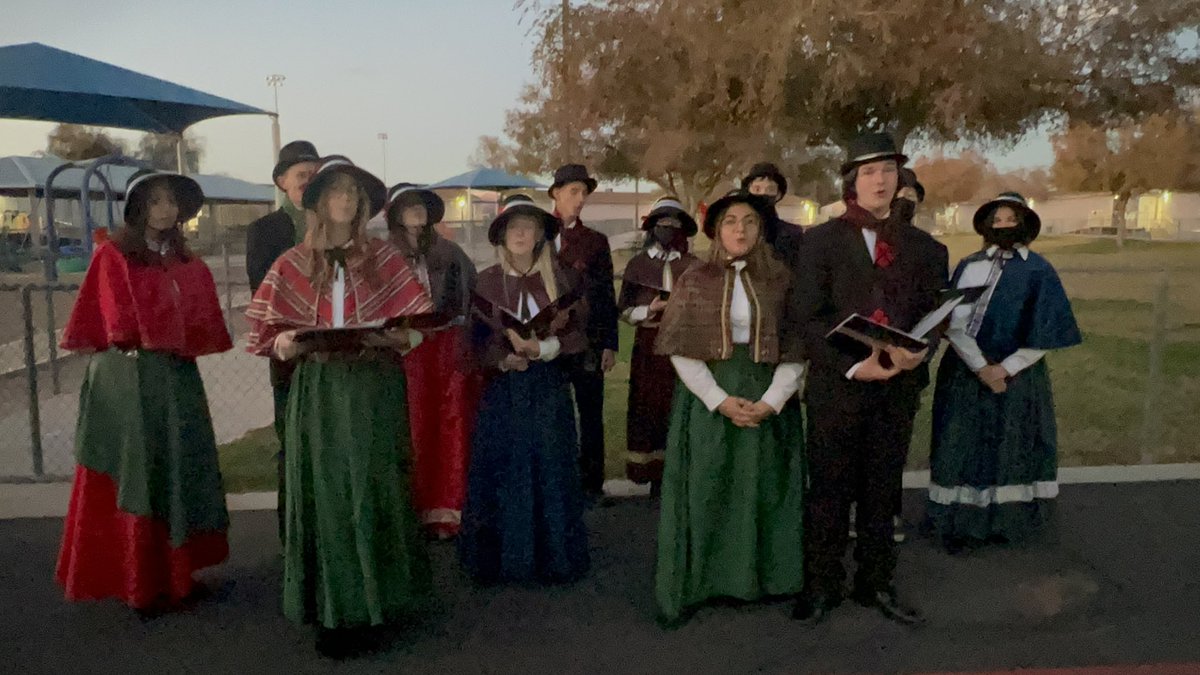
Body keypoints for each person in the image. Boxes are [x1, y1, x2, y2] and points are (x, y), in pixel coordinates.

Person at [245, 156, 433, 657]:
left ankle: (381, 602)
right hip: (321, 390)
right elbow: (268, 336)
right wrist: (288, 343)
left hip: (374, 389)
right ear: (319, 201)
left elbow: (416, 329)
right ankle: (334, 609)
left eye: (353, 191)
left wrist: (398, 337)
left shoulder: (387, 260)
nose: (346, 199)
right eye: (336, 190)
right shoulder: (291, 262)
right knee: (328, 496)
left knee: (375, 488)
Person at [788, 132, 948, 626]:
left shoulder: (925, 247)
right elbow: (805, 318)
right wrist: (857, 364)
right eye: (869, 172)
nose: (880, 180)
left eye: (888, 170)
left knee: (883, 490)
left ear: (900, 178)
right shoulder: (819, 241)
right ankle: (822, 585)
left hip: (898, 390)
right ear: (852, 182)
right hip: (839, 386)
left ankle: (875, 582)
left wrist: (919, 354)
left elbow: (936, 314)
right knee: (829, 491)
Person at [56, 170, 232, 613]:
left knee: (174, 468)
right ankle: (139, 581)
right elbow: (118, 322)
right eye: (155, 201)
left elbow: (196, 316)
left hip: (173, 377)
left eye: (171, 201)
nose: (165, 209)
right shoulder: (113, 253)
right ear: (138, 208)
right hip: (128, 378)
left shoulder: (185, 259)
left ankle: (176, 576)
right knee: (138, 472)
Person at [653, 190, 806, 625]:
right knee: (709, 486)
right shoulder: (695, 278)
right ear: (717, 230)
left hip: (767, 392)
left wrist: (773, 401)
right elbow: (681, 347)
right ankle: (707, 579)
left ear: (761, 230)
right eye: (731, 221)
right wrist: (719, 400)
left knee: (765, 487)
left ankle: (769, 577)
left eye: (750, 221)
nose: (741, 229)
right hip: (710, 396)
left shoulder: (782, 279)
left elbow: (796, 346)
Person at [926, 192, 1081, 553]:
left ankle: (1008, 522)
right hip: (967, 372)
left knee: (1011, 445)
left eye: (1011, 219)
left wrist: (1005, 369)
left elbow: (1047, 328)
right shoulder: (968, 265)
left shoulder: (1039, 270)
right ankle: (961, 525)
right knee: (962, 444)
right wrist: (981, 367)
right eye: (997, 220)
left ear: (1024, 223)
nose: (1003, 225)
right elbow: (952, 321)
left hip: (1019, 376)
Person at [458, 195, 591, 585]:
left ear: (539, 235)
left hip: (547, 388)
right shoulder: (485, 281)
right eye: (513, 227)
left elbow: (579, 334)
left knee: (549, 464)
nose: (520, 234)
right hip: (504, 392)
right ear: (502, 235)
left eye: (528, 227)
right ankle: (503, 557)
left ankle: (553, 557)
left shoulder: (562, 280)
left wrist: (545, 348)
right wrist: (501, 360)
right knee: (505, 466)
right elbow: (474, 341)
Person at [384, 182, 480, 539]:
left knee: (451, 420)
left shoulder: (450, 252)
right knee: (413, 424)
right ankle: (411, 510)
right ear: (395, 213)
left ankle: (449, 510)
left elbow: (471, 297)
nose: (417, 212)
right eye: (409, 207)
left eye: (422, 206)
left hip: (445, 346)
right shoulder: (383, 256)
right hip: (404, 351)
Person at [245, 140, 320, 541]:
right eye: (301, 176)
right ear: (282, 182)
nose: (309, 183)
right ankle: (293, 531)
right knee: (292, 439)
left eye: (314, 175)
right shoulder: (266, 230)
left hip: (334, 352)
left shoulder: (336, 225)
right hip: (289, 352)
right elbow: (262, 291)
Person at [617, 196, 699, 493]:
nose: (668, 229)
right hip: (648, 347)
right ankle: (650, 474)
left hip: (681, 347)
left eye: (673, 225)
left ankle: (681, 470)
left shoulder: (694, 266)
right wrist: (649, 310)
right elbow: (624, 308)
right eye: (662, 224)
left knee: (678, 406)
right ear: (653, 228)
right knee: (647, 407)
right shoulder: (637, 264)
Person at [548, 164, 618, 499]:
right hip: (549, 342)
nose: (579, 199)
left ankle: (592, 482)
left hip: (588, 339)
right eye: (573, 191)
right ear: (556, 193)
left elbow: (606, 294)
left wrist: (609, 343)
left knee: (591, 413)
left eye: (583, 193)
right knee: (554, 413)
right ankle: (558, 478)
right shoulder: (538, 237)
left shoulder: (595, 242)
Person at [742, 161, 802, 268]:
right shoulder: (736, 232)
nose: (762, 194)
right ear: (748, 190)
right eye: (757, 189)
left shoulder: (792, 234)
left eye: (770, 189)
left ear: (778, 194)